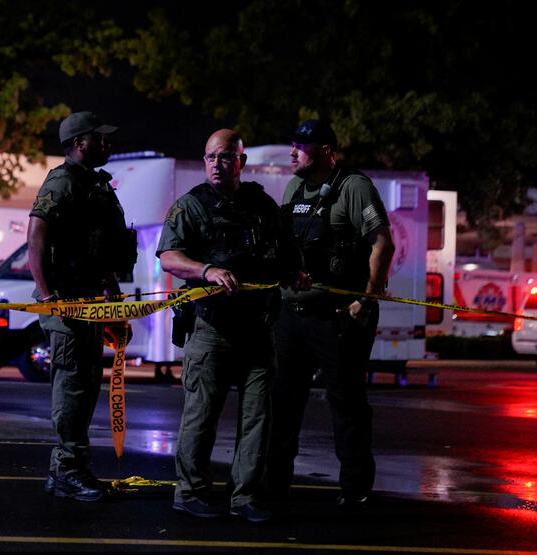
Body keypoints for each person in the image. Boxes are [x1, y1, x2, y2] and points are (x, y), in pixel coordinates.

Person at [156, 129, 304, 522]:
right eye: (209, 158)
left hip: (258, 329)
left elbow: (287, 252)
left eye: (224, 157)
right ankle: (190, 491)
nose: (216, 165)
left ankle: (246, 497)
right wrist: (206, 270)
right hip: (213, 329)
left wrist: (295, 274)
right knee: (201, 416)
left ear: (242, 160)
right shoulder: (192, 206)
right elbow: (169, 257)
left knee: (257, 418)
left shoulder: (261, 205)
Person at [267, 119, 395, 510]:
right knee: (283, 404)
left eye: (301, 146)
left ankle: (355, 490)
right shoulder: (294, 188)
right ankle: (274, 486)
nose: (292, 152)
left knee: (347, 405)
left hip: (337, 317)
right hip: (292, 315)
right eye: (292, 144)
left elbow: (382, 243)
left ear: (325, 150)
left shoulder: (353, 187)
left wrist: (366, 300)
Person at [28, 111, 137, 502]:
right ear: (78, 143)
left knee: (87, 385)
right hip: (68, 305)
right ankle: (66, 470)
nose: (107, 143)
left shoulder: (94, 184)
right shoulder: (64, 181)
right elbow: (37, 233)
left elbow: (101, 248)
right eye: (99, 137)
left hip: (90, 302)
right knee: (73, 386)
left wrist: (113, 297)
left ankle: (74, 466)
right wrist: (46, 296)